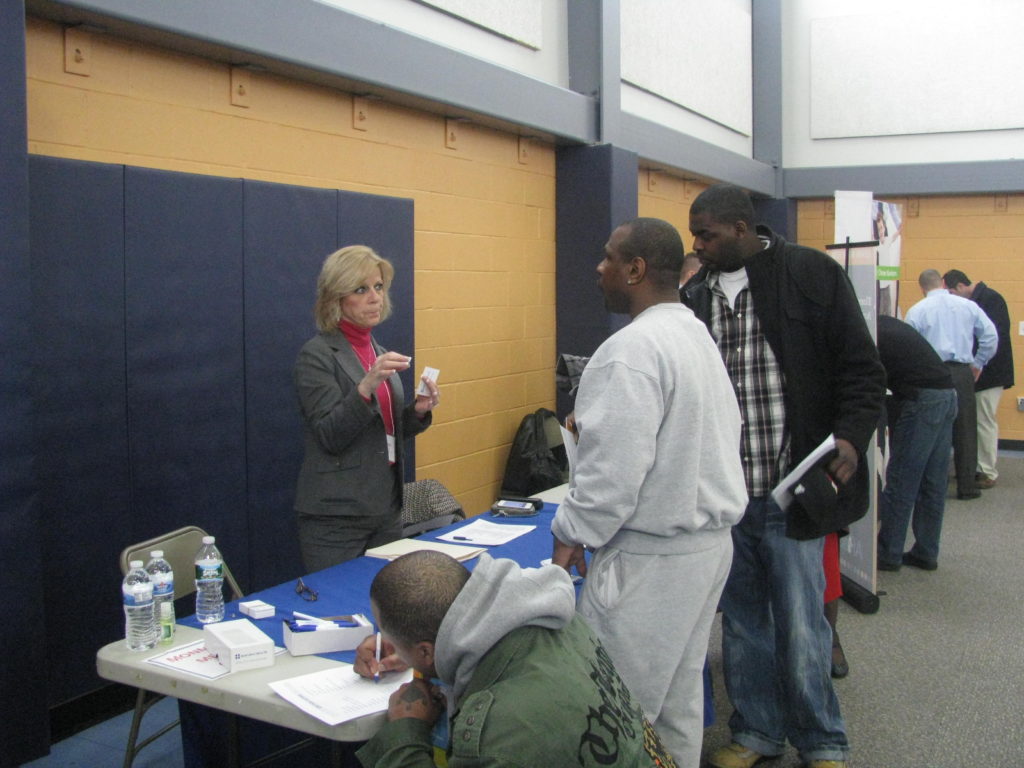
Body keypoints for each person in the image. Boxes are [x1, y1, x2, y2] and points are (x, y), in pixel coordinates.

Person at [682, 184, 885, 768]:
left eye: (708, 235)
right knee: (745, 626)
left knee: (802, 627)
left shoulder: (809, 274)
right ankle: (757, 734)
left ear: (743, 229)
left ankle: (822, 740)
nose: (698, 245)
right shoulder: (695, 299)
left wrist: (849, 437)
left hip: (794, 490)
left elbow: (861, 368)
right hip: (725, 498)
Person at [551, 217, 748, 767]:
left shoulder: (630, 350)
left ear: (635, 269)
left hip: (653, 561)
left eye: (609, 257)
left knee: (613, 712)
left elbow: (611, 478)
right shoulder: (692, 333)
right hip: (706, 548)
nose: (599, 267)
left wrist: (570, 533)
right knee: (678, 701)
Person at [353, 551, 678, 768]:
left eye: (389, 635)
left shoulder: (496, 730)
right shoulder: (553, 621)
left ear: (425, 651)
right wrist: (416, 651)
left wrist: (406, 732)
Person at [293, 245, 439, 572]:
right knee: (338, 608)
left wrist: (417, 411)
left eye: (378, 287)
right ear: (336, 299)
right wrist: (366, 385)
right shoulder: (316, 355)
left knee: (385, 607)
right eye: (361, 289)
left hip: (385, 507)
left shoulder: (378, 349)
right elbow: (330, 434)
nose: (375, 297)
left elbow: (384, 429)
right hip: (336, 516)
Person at [875, 314, 958, 572]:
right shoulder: (885, 323)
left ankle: (888, 552)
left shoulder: (868, 333)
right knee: (933, 482)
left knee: (901, 479)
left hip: (923, 401)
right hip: (947, 395)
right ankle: (926, 551)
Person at [904, 269, 996, 500]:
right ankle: (967, 487)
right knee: (965, 429)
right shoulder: (967, 306)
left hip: (932, 374)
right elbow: (990, 336)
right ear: (943, 283)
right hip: (962, 372)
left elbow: (911, 348)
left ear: (921, 287)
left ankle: (935, 486)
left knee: (931, 429)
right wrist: (978, 363)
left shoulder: (917, 310)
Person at [942, 270, 1014, 489]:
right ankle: (974, 467)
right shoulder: (979, 301)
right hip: (977, 371)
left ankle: (987, 471)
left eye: (953, 292)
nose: (952, 298)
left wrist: (977, 365)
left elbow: (992, 339)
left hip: (990, 373)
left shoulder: (991, 299)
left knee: (984, 421)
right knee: (974, 422)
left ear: (962, 286)